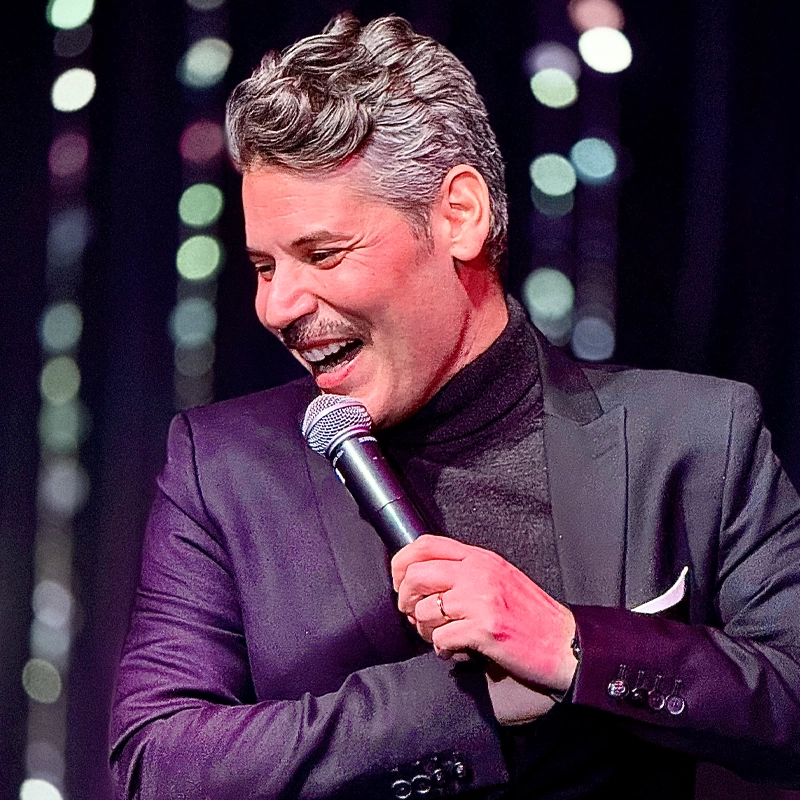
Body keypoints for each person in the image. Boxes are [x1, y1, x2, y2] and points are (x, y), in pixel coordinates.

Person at [110, 12, 800, 799]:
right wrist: (464, 707)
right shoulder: (222, 467)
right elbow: (156, 763)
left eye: (322, 253)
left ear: (459, 215)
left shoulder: (698, 438)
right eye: (266, 265)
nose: (278, 305)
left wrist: (576, 648)